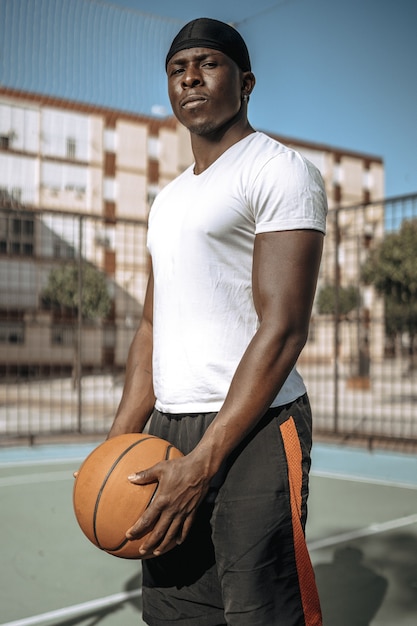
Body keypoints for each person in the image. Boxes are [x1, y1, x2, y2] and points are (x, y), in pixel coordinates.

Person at [108, 17, 327, 626]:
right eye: (178, 69)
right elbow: (152, 326)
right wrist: (121, 439)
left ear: (246, 81)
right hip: (168, 426)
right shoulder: (169, 200)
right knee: (176, 613)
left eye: (208, 63)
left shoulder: (279, 170)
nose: (191, 78)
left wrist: (203, 464)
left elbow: (283, 327)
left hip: (255, 427)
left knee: (261, 612)